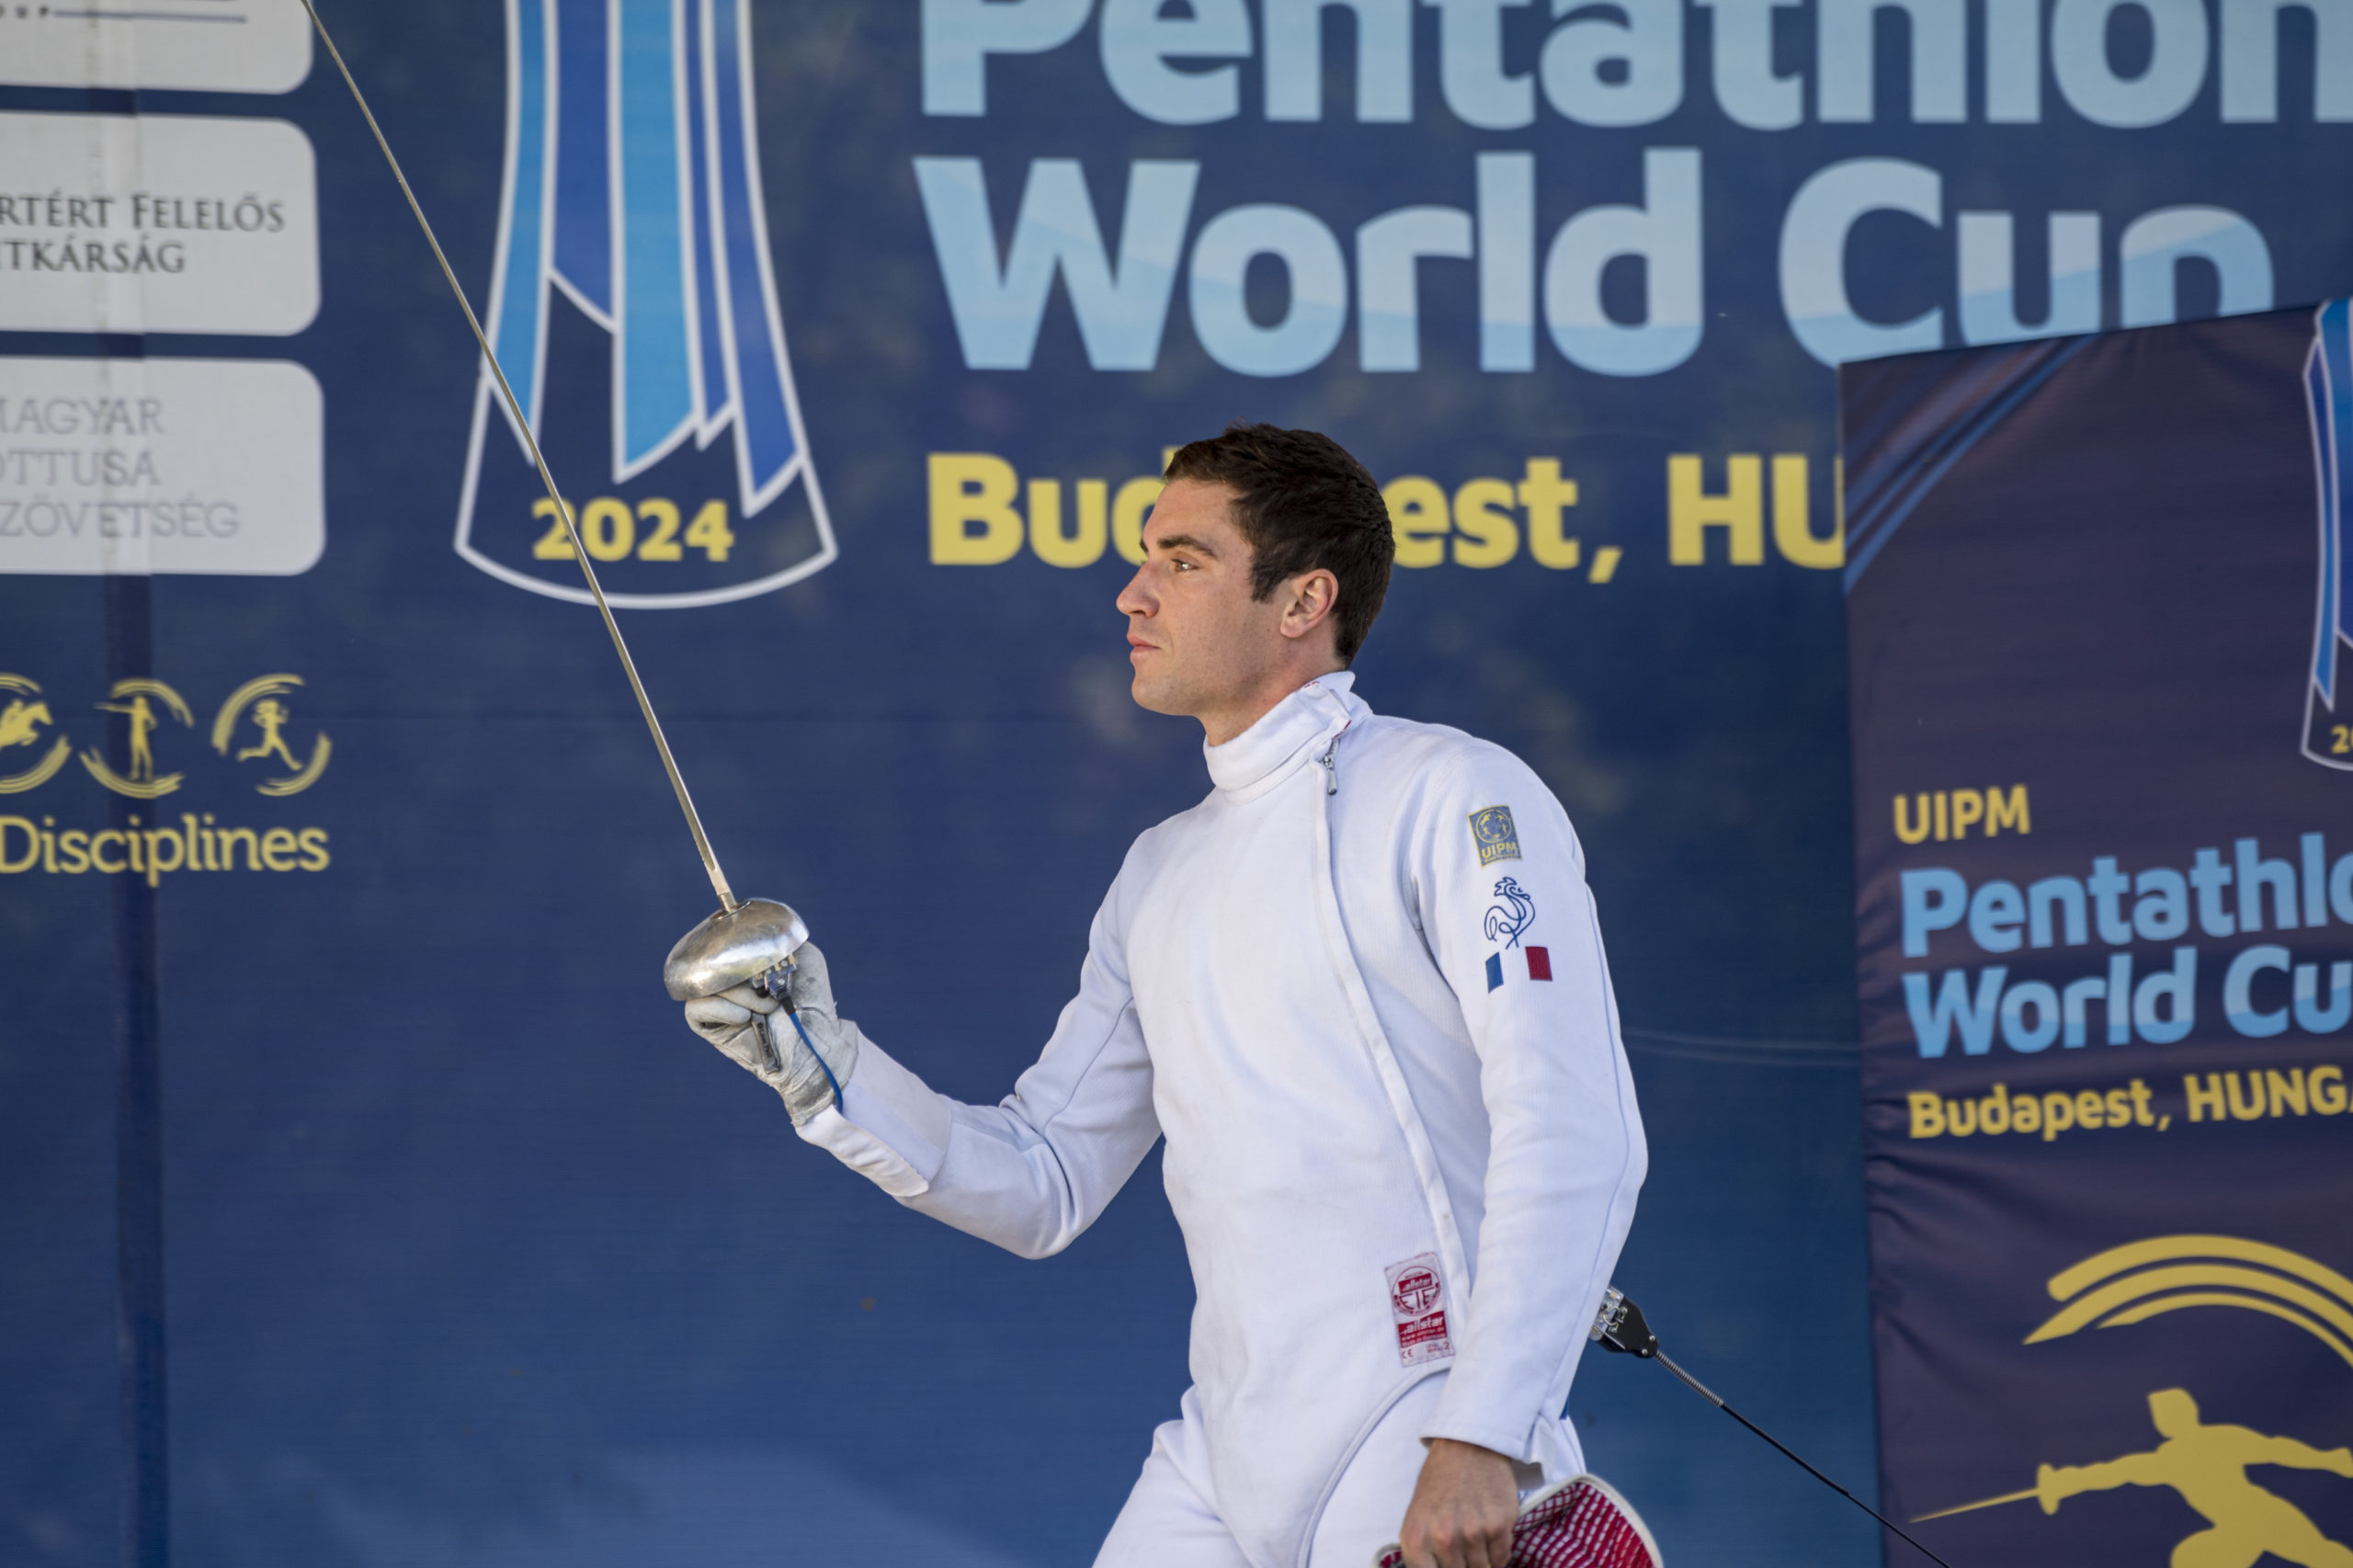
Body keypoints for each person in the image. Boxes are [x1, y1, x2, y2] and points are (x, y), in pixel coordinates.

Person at [682, 424, 1646, 1568]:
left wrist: (1484, 1428)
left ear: (1303, 601)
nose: (1133, 593)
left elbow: (1573, 1126)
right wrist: (820, 1065)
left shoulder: (1455, 794)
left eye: (1183, 561)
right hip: (1220, 1456)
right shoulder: (1158, 872)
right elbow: (1042, 1177)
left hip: (1418, 1422)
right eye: (1146, 558)